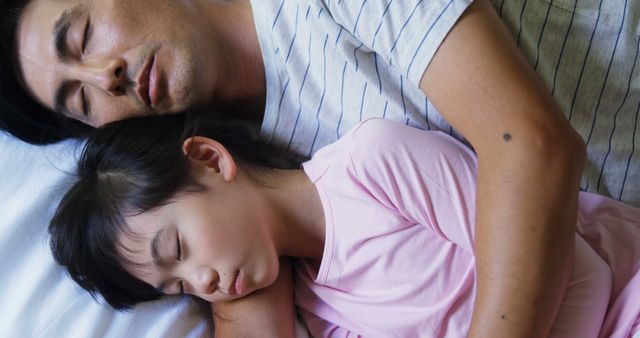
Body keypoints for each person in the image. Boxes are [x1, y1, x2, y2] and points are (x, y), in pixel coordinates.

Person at [3, 0, 638, 335]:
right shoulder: (232, 201)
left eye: (82, 37)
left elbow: (534, 148)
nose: (104, 77)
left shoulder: (320, 19)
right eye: (80, 100)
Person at [49, 114, 640, 337]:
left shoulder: (373, 163)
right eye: (176, 288)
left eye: (177, 248)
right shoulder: (314, 311)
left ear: (210, 159)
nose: (200, 282)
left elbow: (577, 267)